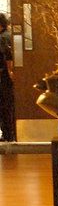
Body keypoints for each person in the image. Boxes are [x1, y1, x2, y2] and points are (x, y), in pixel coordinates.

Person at [0, 14, 15, 144]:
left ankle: (8, 134)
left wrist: (9, 71)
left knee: (4, 106)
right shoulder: (9, 35)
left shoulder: (2, 38)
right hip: (8, 77)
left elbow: (7, 56)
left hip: (4, 76)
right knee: (9, 105)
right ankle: (10, 133)